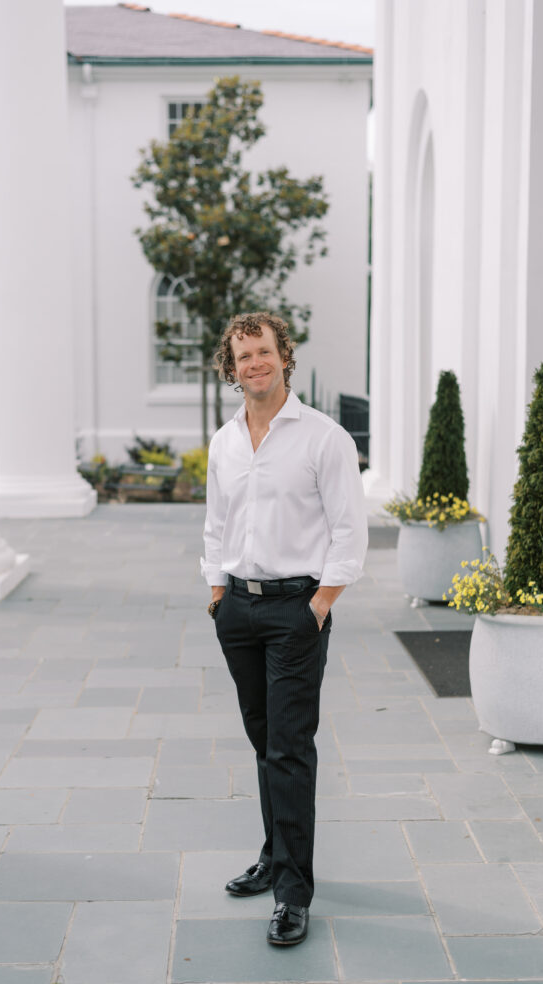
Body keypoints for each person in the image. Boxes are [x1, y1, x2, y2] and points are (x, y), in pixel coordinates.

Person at [201, 311, 368, 946]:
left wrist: (319, 605)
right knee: (264, 742)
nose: (254, 365)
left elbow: (350, 530)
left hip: (298, 609)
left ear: (283, 357)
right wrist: (218, 593)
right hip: (238, 611)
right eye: (242, 357)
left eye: (263, 352)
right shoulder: (225, 441)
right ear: (231, 367)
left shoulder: (324, 438)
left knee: (291, 750)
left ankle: (293, 893)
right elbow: (216, 523)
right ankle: (274, 856)